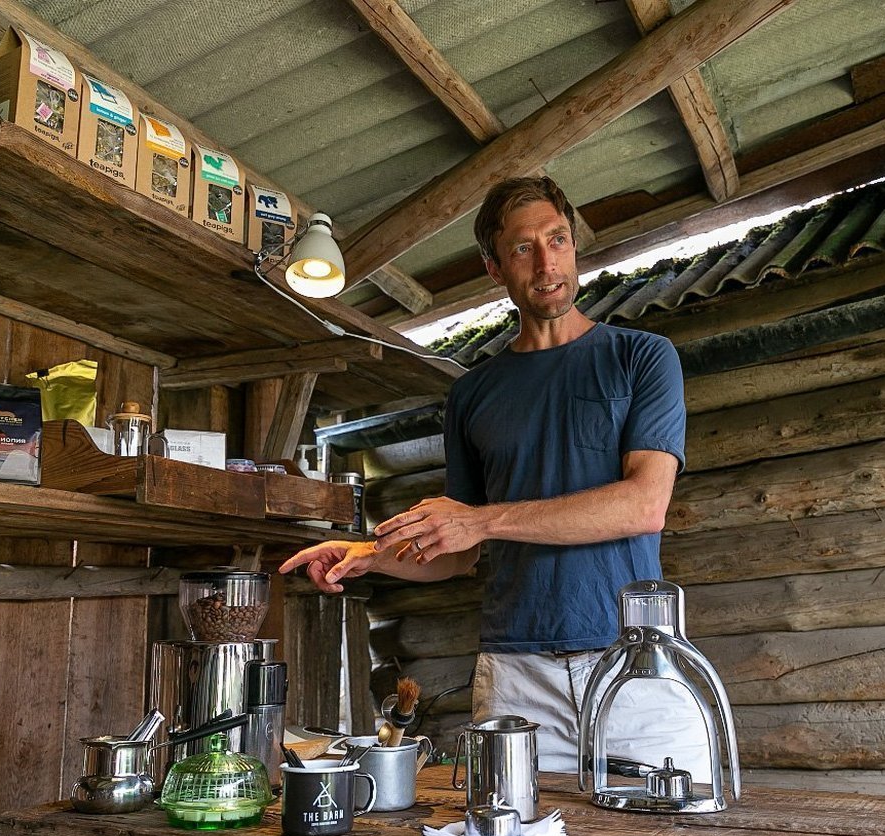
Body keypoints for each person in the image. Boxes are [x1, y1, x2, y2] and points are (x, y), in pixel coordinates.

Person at [279, 177, 708, 777]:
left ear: (574, 244)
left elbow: (642, 506)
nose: (546, 261)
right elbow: (459, 552)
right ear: (495, 269)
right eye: (522, 248)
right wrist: (370, 554)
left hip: (633, 661)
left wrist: (480, 520)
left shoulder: (641, 357)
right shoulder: (473, 393)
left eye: (556, 239)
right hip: (516, 675)